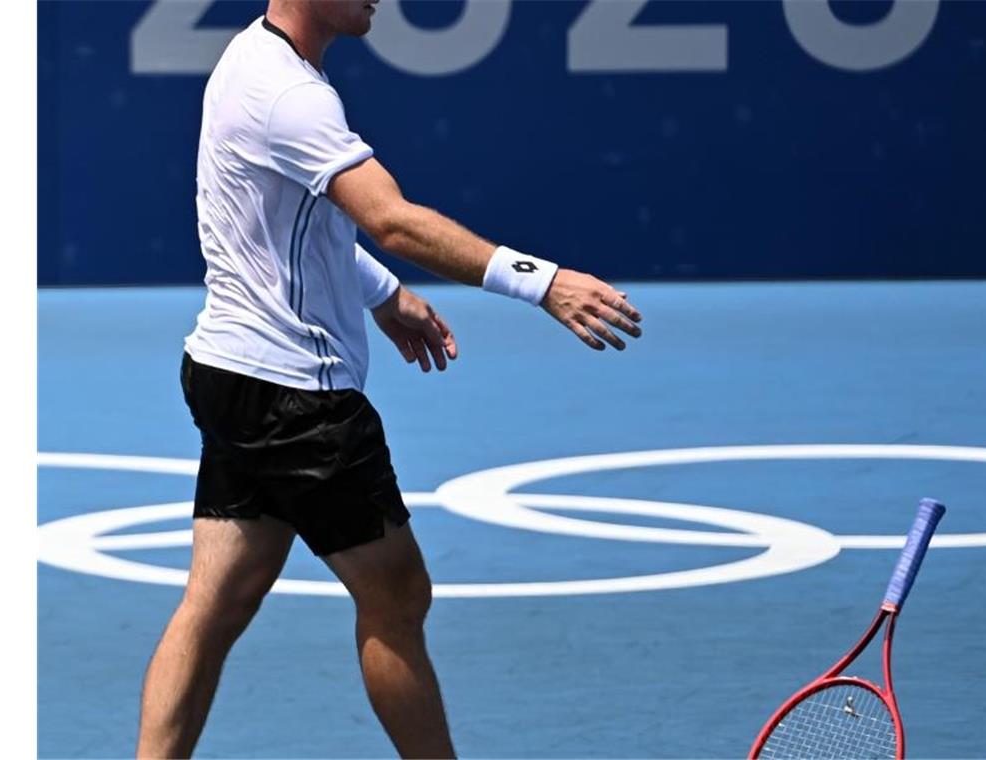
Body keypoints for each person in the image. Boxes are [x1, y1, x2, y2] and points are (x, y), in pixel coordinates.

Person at [135, 1, 642, 757]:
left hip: (226, 373)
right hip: (296, 399)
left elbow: (277, 220)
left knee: (216, 600)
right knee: (398, 595)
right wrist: (545, 283)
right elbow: (392, 220)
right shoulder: (293, 95)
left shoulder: (247, 60)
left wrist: (380, 293)